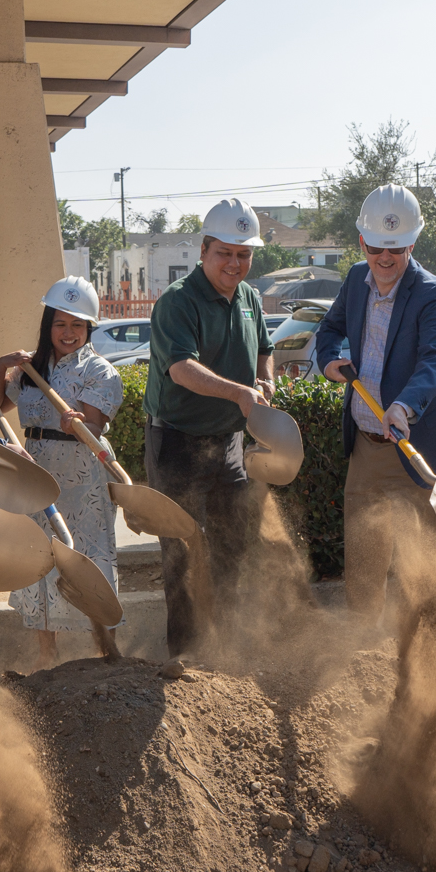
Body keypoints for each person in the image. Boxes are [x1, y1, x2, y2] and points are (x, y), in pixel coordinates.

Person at [314, 183, 436, 619]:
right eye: (378, 246)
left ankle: (431, 669)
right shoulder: (354, 284)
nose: (385, 258)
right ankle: (363, 660)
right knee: (363, 571)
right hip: (367, 449)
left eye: (396, 250)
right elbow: (328, 332)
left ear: (411, 244)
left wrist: (404, 406)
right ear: (363, 241)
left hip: (420, 450)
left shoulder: (433, 293)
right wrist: (329, 362)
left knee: (427, 576)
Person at [143, 198, 275, 658]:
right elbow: (181, 369)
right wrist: (241, 393)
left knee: (232, 546)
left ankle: (226, 649)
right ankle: (184, 655)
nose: (235, 263)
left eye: (244, 254)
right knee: (181, 552)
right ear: (204, 250)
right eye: (225, 252)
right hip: (176, 442)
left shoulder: (251, 298)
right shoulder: (178, 301)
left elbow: (264, 347)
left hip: (230, 443)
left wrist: (265, 380)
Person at [0, 276, 123, 666]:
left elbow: (94, 428)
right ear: (48, 326)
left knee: (89, 556)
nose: (69, 333)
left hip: (83, 473)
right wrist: (0, 367)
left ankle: (107, 646)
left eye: (78, 325)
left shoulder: (100, 371)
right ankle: (48, 652)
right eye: (60, 324)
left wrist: (80, 423)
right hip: (38, 468)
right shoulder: (31, 368)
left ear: (89, 328)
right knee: (41, 555)